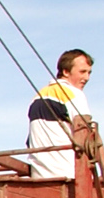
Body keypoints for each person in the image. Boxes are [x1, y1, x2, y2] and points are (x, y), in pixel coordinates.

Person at [26, 49, 94, 178]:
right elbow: (86, 139)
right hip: (67, 173)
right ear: (66, 71)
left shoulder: (37, 97)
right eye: (82, 72)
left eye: (89, 72)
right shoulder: (73, 94)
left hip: (38, 175)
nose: (87, 78)